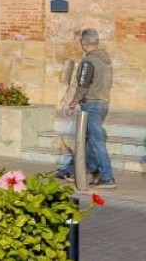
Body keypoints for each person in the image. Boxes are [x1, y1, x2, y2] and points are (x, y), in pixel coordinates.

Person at [56, 28, 116, 187]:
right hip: (103, 103)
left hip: (92, 105)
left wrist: (72, 104)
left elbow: (83, 86)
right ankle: (74, 170)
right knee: (86, 140)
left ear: (83, 42)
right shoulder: (106, 61)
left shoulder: (88, 62)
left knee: (96, 141)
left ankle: (107, 177)